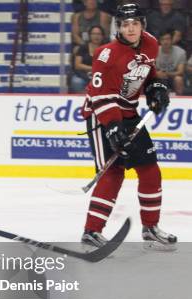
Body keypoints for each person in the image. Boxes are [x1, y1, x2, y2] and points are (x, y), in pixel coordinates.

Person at [81, 3, 176, 250]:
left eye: (135, 23)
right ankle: (92, 231)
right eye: (125, 24)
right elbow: (101, 97)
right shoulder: (106, 54)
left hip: (129, 112)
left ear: (142, 25)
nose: (130, 29)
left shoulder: (151, 43)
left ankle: (151, 228)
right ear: (118, 27)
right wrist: (112, 127)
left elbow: (148, 71)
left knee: (150, 170)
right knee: (113, 172)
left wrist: (155, 87)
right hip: (102, 115)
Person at [71, 25, 106, 93]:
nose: (96, 36)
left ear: (102, 36)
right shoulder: (83, 47)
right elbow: (77, 65)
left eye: (99, 34)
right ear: (89, 35)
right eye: (94, 34)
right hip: (83, 74)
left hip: (102, 76)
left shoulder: (106, 48)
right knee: (76, 81)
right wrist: (93, 68)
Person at [155, 29, 186, 95]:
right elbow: (151, 68)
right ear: (160, 41)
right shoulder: (154, 51)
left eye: (168, 39)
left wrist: (167, 73)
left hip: (173, 76)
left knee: (179, 79)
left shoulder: (181, 52)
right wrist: (157, 73)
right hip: (159, 76)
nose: (165, 42)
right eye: (163, 39)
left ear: (172, 40)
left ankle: (181, 101)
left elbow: (180, 71)